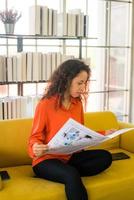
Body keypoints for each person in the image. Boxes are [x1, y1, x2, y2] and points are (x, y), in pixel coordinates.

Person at [28, 59, 112, 200]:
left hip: (69, 157)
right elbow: (34, 137)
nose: (83, 87)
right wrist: (36, 147)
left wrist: (103, 134)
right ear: (66, 80)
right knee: (71, 174)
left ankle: (60, 172)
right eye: (80, 83)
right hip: (46, 160)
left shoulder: (77, 104)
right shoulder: (45, 104)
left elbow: (80, 132)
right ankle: (62, 173)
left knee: (105, 157)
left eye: (85, 83)